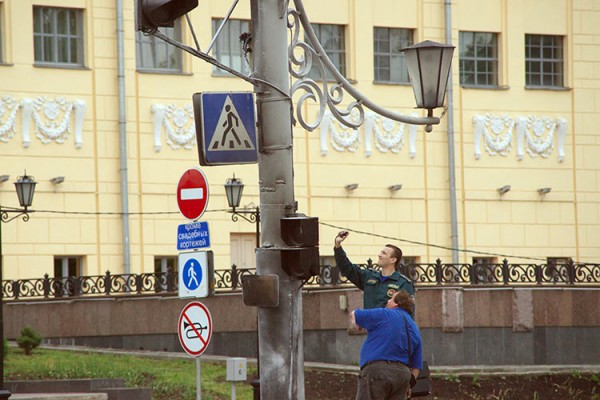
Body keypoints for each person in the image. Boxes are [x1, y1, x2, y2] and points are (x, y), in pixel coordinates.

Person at [351, 290, 422, 400]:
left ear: (396, 304)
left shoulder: (385, 314)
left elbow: (355, 315)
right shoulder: (414, 328)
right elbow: (416, 367)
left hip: (377, 373)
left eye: (391, 298)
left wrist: (359, 325)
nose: (387, 301)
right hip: (402, 377)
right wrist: (409, 385)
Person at [334, 231, 415, 309]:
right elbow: (347, 268)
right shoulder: (369, 276)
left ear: (393, 260)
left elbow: (407, 313)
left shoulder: (403, 284)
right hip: (368, 323)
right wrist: (338, 246)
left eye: (384, 253)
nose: (379, 255)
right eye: (380, 252)